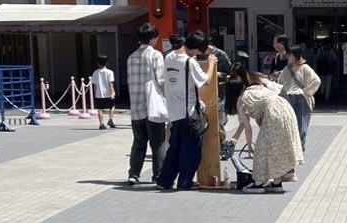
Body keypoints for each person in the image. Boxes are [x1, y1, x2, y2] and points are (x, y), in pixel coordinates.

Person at [228, 67, 303, 192]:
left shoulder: (242, 99)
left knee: (262, 150)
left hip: (274, 116)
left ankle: (258, 183)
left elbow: (247, 127)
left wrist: (249, 146)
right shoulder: (258, 86)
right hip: (286, 110)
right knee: (276, 148)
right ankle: (277, 182)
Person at [157, 31, 215, 191]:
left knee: (174, 148)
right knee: (191, 150)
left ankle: (165, 180)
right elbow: (205, 81)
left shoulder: (169, 57)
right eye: (199, 51)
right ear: (195, 48)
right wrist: (211, 63)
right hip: (188, 112)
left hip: (174, 111)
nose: (198, 54)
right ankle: (184, 182)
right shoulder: (189, 62)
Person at [126, 24, 166, 185]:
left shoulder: (131, 57)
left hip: (136, 106)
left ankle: (134, 174)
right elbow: (161, 81)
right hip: (153, 107)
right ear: (152, 39)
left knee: (138, 142)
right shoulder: (155, 55)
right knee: (158, 143)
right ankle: (158, 175)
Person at [279, 45, 321, 150]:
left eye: (290, 55)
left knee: (301, 126)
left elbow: (316, 81)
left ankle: (300, 148)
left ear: (296, 56)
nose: (288, 57)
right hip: (289, 99)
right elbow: (280, 84)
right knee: (289, 125)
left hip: (301, 99)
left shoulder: (305, 68)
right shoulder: (286, 69)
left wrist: (305, 91)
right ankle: (292, 149)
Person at [91, 55, 116, 130]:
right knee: (112, 106)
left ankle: (101, 124)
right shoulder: (110, 72)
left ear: (98, 63)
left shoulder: (95, 72)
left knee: (100, 109)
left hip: (99, 93)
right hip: (108, 93)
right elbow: (111, 84)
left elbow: (94, 84)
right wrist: (112, 93)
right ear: (107, 63)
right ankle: (110, 120)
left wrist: (95, 93)